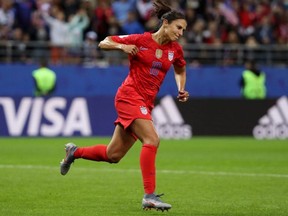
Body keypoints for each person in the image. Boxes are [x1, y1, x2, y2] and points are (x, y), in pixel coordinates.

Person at [60, 0, 189, 211]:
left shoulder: (175, 50)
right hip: (129, 96)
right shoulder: (141, 39)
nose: (181, 32)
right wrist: (122, 46)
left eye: (183, 29)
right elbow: (104, 42)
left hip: (146, 102)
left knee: (113, 155)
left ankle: (74, 152)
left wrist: (181, 88)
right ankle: (149, 195)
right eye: (178, 27)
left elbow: (180, 69)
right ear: (165, 23)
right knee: (152, 139)